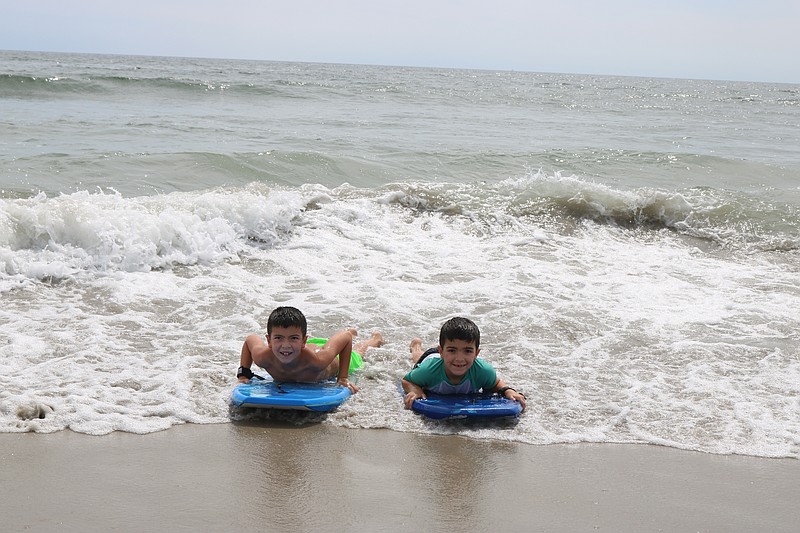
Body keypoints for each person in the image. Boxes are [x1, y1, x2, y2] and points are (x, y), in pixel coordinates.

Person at [237, 306, 384, 393]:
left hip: (329, 354)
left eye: (292, 338)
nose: (285, 344)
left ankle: (375, 339)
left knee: (358, 352)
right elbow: (250, 339)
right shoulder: (263, 357)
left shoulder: (318, 362)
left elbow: (345, 338)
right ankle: (352, 330)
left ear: (303, 340)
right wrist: (243, 374)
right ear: (268, 340)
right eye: (278, 338)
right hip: (301, 348)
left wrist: (343, 378)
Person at [401, 317, 527, 410]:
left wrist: (508, 391)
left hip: (444, 358)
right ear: (441, 351)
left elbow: (496, 383)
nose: (459, 358)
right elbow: (407, 380)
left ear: (476, 353)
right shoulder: (428, 370)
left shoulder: (483, 371)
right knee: (417, 358)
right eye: (452, 350)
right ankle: (415, 346)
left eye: (467, 351)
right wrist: (415, 389)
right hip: (431, 359)